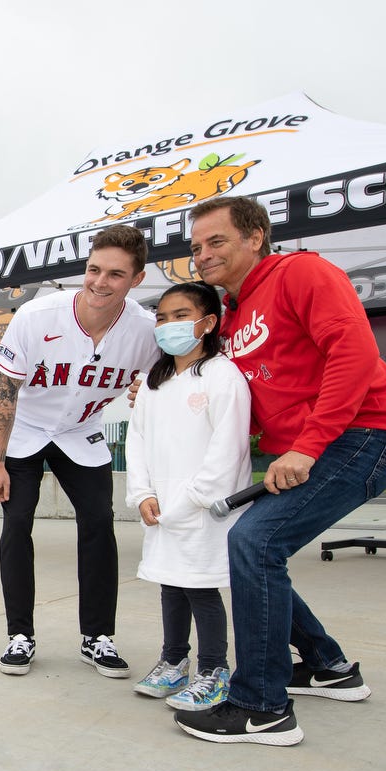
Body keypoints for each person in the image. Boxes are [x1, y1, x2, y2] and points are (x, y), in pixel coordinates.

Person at [172, 195, 386, 746]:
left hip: (363, 434)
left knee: (255, 545)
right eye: (195, 248)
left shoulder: (302, 272)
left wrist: (307, 446)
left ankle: (261, 707)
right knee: (252, 546)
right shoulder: (231, 315)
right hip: (315, 446)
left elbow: (353, 352)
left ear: (255, 236)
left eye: (216, 241)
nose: (203, 255)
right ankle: (330, 668)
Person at [0, 224, 160, 677]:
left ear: (136, 280)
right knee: (17, 522)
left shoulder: (144, 330)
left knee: (100, 523)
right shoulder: (38, 316)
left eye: (115, 275)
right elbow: (5, 390)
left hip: (82, 433)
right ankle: (19, 635)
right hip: (26, 431)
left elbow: (165, 382)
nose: (99, 282)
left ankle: (98, 637)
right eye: (93, 269)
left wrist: (150, 392)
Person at [124, 281, 250, 712]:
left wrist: (188, 501)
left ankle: (213, 671)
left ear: (208, 322)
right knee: (170, 584)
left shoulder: (222, 376)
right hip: (159, 507)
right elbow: (135, 441)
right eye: (161, 318)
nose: (167, 325)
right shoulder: (152, 383)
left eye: (181, 316)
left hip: (203, 511)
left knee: (200, 587)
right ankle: (173, 660)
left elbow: (227, 452)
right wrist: (142, 493)